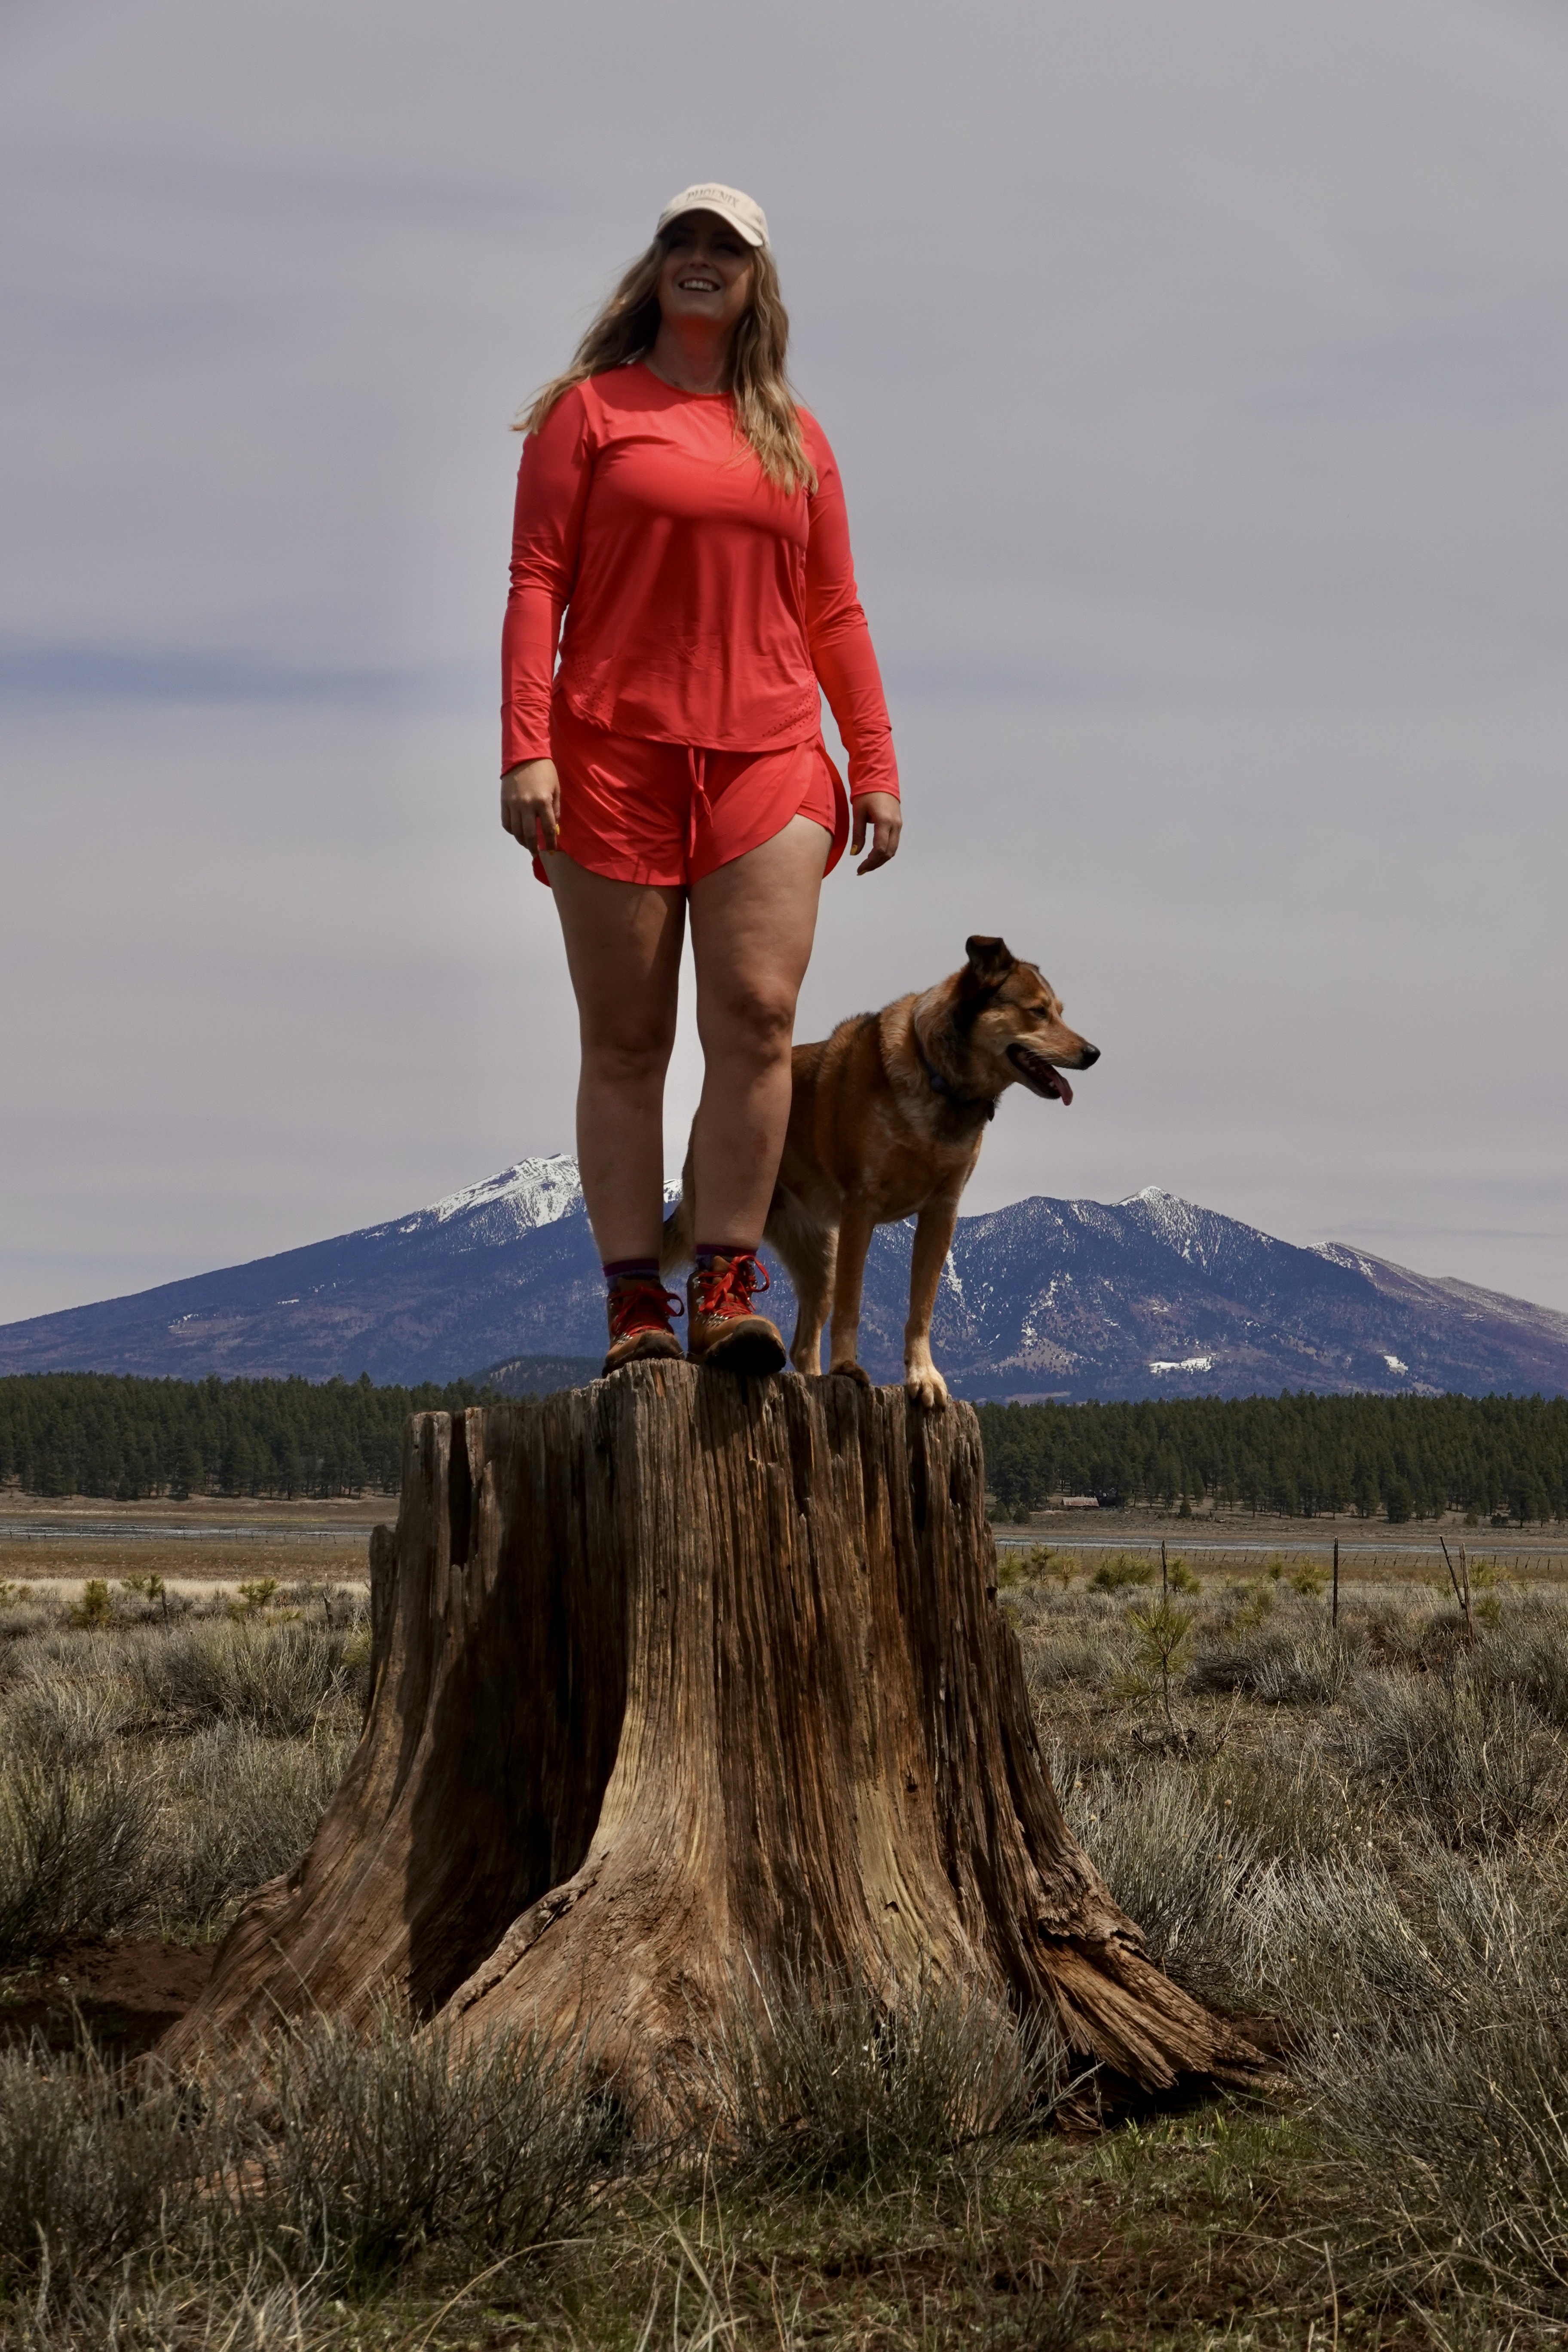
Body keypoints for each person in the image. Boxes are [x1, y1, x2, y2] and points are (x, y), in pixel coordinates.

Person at [500, 183, 902, 1377]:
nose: (702, 259)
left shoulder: (795, 434)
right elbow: (536, 583)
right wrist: (526, 745)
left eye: (727, 246)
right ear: (657, 265)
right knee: (627, 1040)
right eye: (684, 240)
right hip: (609, 757)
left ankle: (727, 1284)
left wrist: (872, 761)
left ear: (754, 282)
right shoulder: (589, 415)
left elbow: (834, 608)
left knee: (760, 1024)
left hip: (768, 758)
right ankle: (638, 1307)